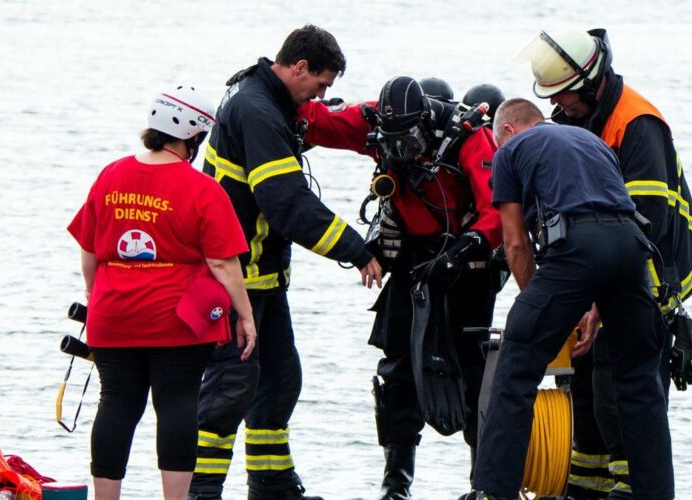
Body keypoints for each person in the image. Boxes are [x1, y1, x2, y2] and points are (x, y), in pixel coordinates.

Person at [189, 25, 382, 500]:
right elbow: (286, 203)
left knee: (280, 380)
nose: (319, 96)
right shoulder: (257, 110)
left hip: (262, 280)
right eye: (320, 84)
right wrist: (356, 250)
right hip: (235, 281)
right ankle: (201, 490)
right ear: (299, 68)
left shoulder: (265, 100)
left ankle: (272, 486)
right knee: (229, 390)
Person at [523, 28, 692, 499]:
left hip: (649, 272)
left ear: (591, 83)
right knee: (587, 386)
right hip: (604, 271)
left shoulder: (637, 123)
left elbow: (644, 224)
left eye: (565, 96)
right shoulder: (584, 120)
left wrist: (599, 304)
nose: (559, 106)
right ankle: (586, 484)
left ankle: (631, 487)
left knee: (616, 383)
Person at [299, 75, 502, 499]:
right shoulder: (373, 123)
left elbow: (497, 210)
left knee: (474, 370)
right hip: (412, 256)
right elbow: (315, 119)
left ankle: (482, 484)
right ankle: (396, 484)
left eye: (405, 142)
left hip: (469, 257)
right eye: (387, 142)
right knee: (397, 370)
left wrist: (461, 252)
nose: (396, 152)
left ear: (425, 125)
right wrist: (267, 88)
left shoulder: (467, 137)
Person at [460, 98, 673, 500]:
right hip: (631, 248)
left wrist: (545, 310)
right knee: (640, 380)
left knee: (517, 363)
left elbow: (516, 244)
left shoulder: (510, 151)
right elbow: (607, 224)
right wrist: (592, 306)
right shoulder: (591, 142)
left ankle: (492, 492)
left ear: (506, 131)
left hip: (576, 249)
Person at [68, 85, 257, 500]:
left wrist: (98, 298)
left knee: (116, 404)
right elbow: (224, 264)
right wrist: (245, 316)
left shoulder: (110, 174)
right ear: (194, 135)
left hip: (112, 314)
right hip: (177, 321)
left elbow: (88, 250)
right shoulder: (203, 188)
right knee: (176, 404)